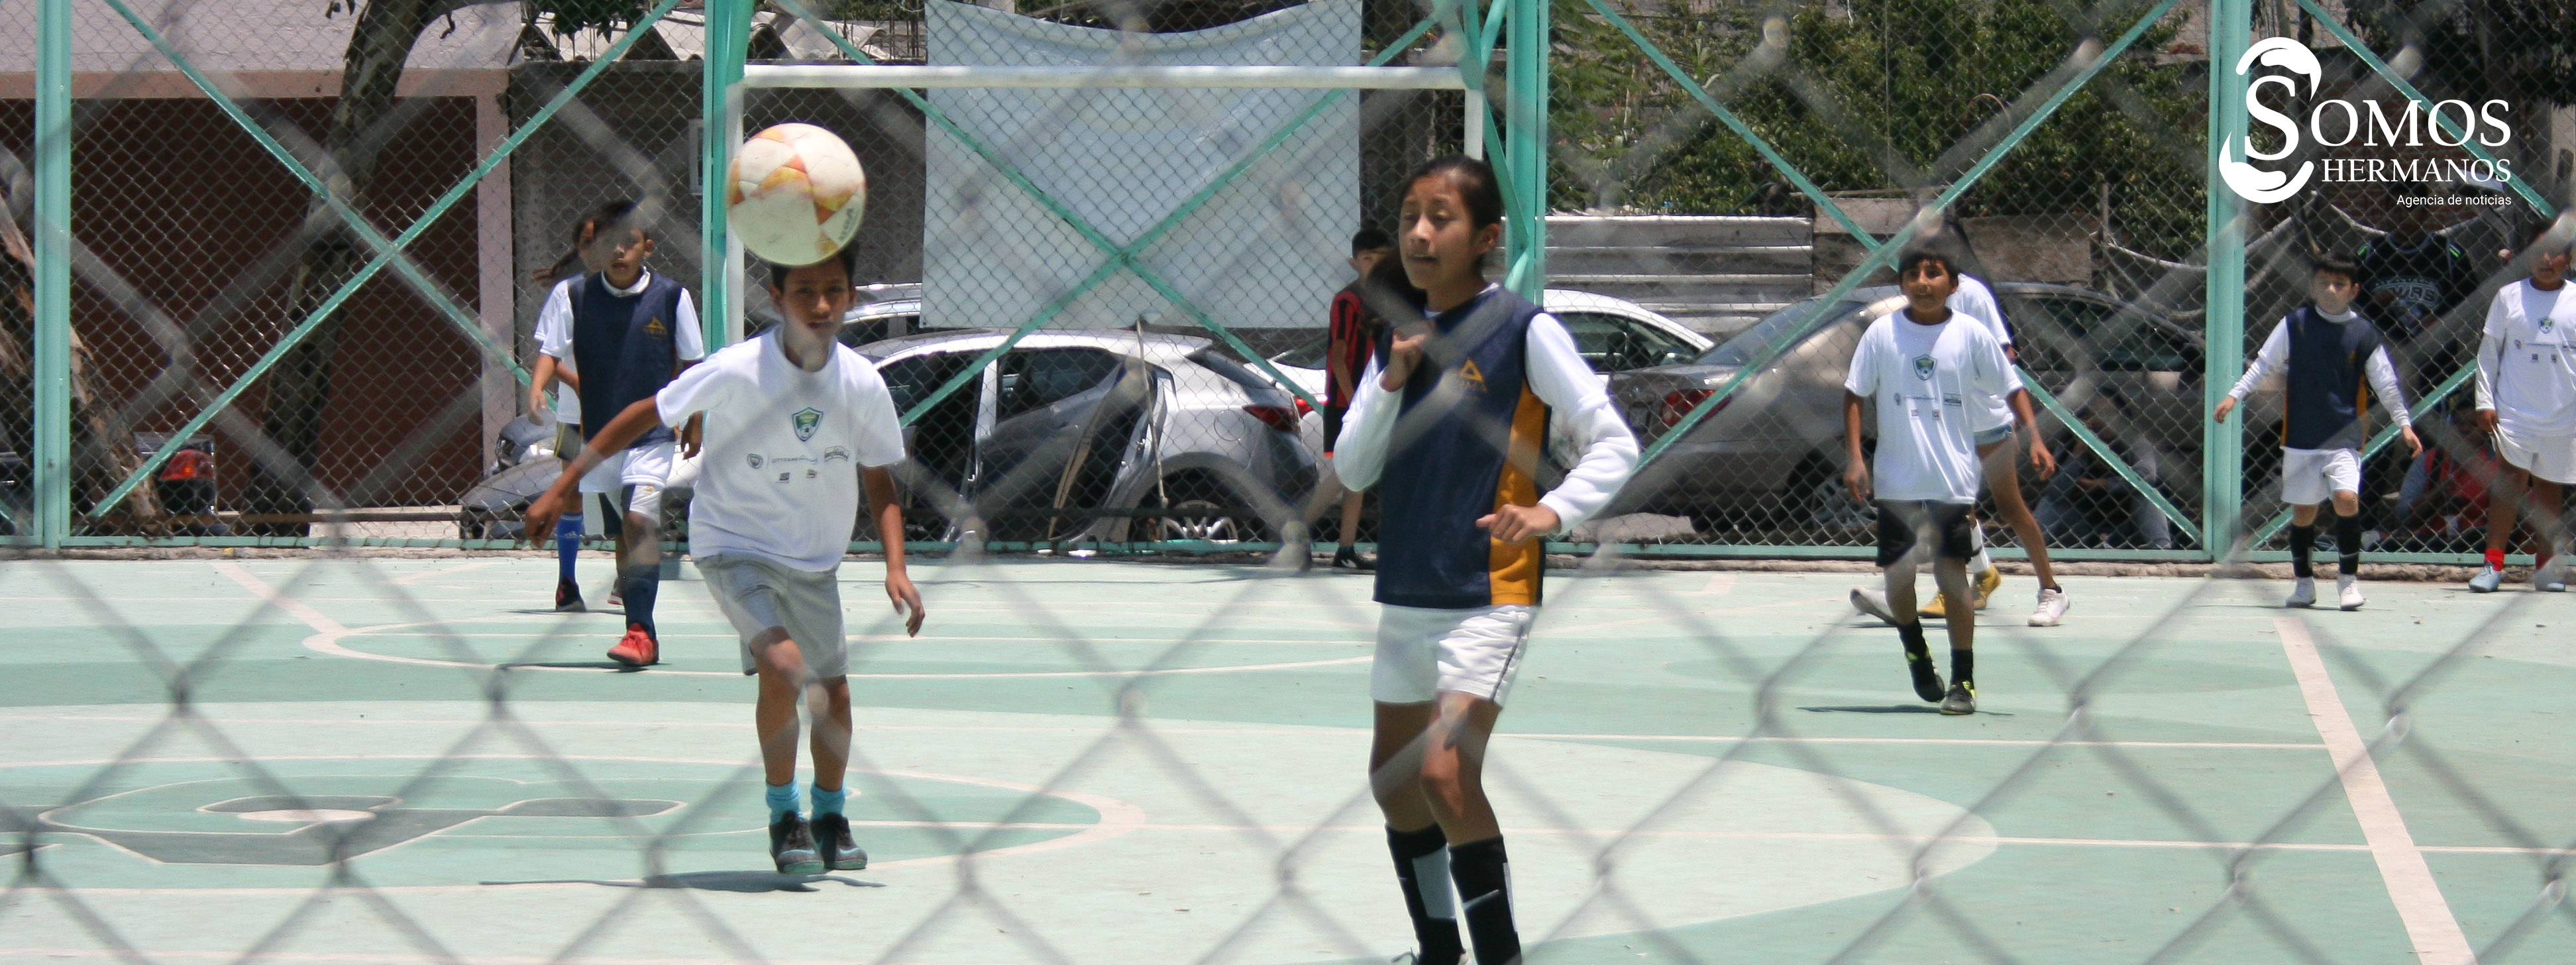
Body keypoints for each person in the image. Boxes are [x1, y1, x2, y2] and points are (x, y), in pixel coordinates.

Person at [524, 244, 924, 875]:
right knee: (784, 665)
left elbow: (880, 481)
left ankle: (830, 815)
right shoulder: (739, 369)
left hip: (813, 557)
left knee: (835, 695)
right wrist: (559, 484)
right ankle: (782, 815)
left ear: (851, 298)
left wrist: (895, 566)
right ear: (776, 299)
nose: (819, 305)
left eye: (833, 291)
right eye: (804, 292)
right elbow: (640, 414)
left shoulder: (861, 383)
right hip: (732, 544)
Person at [1333, 156, 1638, 965]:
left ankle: (1500, 954)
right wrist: (1393, 377)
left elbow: (1614, 442)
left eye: (1442, 217)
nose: (1421, 233)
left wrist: (1551, 510)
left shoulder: (1523, 331)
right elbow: (1353, 470)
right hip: (1407, 591)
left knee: (1442, 774)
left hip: (1487, 591)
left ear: (1487, 237)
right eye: (1409, 217)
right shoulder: (1397, 338)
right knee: (1395, 785)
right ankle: (1440, 951)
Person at [1842, 249, 2016, 716]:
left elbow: (2011, 385)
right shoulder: (1882, 334)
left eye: (1933, 274)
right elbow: (1855, 394)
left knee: (1950, 574)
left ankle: (1963, 680)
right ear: (1902, 285)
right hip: (1897, 480)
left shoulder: (1971, 334)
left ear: (1952, 285)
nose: (1922, 282)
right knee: (1898, 578)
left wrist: (2034, 437)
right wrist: (1856, 457)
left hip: (1952, 479)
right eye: (1913, 275)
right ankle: (1916, 649)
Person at [540, 199, 708, 666]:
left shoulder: (672, 297)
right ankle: (634, 624)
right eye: (609, 243)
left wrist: (695, 417)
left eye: (629, 242)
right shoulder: (576, 297)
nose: (619, 251)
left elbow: (694, 363)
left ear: (647, 247)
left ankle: (641, 633)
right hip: (598, 439)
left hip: (653, 436)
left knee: (640, 521)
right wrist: (540, 387)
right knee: (620, 534)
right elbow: (551, 352)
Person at [2216, 253, 2422, 610]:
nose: (2330, 289)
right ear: (2312, 286)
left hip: (2344, 435)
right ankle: (2304, 584)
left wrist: (2404, 424)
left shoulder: (2363, 332)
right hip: (2301, 436)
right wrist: (2235, 395)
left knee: (2346, 499)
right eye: (2324, 282)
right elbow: (2265, 363)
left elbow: (2385, 383)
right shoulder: (2295, 324)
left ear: (2354, 291)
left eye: (2339, 284)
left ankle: (2348, 582)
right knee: (2304, 513)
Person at [2467, 222, 2576, 593]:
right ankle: (2493, 564)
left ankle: (2546, 567)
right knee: (2509, 483)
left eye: (2556, 251)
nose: (2546, 259)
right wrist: (2485, 400)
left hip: (2563, 413)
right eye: (2539, 250)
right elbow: (2489, 353)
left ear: (2571, 258)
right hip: (2514, 410)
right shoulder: (2508, 297)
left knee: (2550, 488)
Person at [527, 208, 621, 612]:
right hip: (574, 413)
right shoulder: (568, 294)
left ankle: (625, 579)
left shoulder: (648, 295)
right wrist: (571, 383)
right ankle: (567, 581)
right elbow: (551, 351)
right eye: (589, 243)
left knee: (627, 495)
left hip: (622, 412)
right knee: (572, 494)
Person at [1322, 227, 1395, 569]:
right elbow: (1338, 356)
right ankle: (1293, 530)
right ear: (1355, 263)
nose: (1375, 265)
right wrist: (1355, 401)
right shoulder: (1348, 300)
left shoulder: (1391, 298)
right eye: (1368, 259)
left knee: (1358, 476)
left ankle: (1346, 550)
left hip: (1379, 399)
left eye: (1381, 258)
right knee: (1346, 472)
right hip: (1349, 399)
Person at [2035, 390, 2172, 549]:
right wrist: (2079, 450)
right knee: (2051, 502)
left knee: (2149, 495)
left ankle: (2161, 548)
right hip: (2083, 522)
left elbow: (2147, 477)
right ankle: (2026, 549)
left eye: (2110, 414)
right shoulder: (2070, 444)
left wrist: (2099, 484)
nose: (2105, 420)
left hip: (2125, 520)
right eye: (2097, 413)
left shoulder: (2135, 441)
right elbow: (2056, 491)